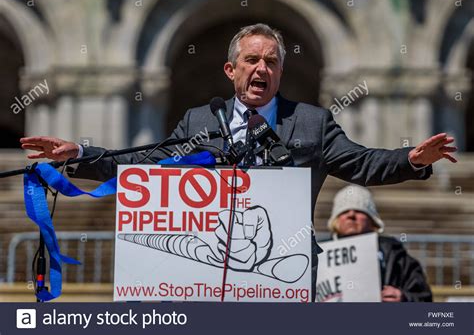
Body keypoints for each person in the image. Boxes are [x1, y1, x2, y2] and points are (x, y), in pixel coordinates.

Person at [20, 23, 456, 301]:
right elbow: (147, 163)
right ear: (232, 70)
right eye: (252, 59)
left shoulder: (311, 122)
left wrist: (412, 159)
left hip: (284, 274)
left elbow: (361, 163)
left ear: (280, 73)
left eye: (271, 61)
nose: (261, 68)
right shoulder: (199, 120)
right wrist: (80, 154)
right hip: (204, 272)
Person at [327, 185, 433, 302]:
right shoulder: (319, 256)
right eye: (344, 211)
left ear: (372, 220)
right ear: (336, 220)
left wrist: (404, 298)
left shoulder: (395, 255)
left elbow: (424, 298)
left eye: (359, 211)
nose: (351, 215)